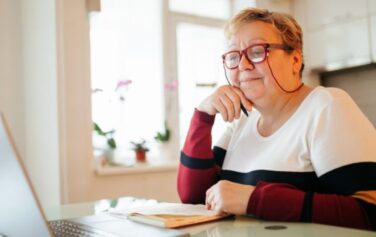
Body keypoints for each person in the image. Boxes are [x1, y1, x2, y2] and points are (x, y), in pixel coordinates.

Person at [177, 8, 376, 230]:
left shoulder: (325, 106)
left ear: (295, 60)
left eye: (257, 51)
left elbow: (369, 212)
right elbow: (193, 197)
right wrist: (203, 115)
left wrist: (254, 200)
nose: (243, 65)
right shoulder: (243, 120)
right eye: (234, 56)